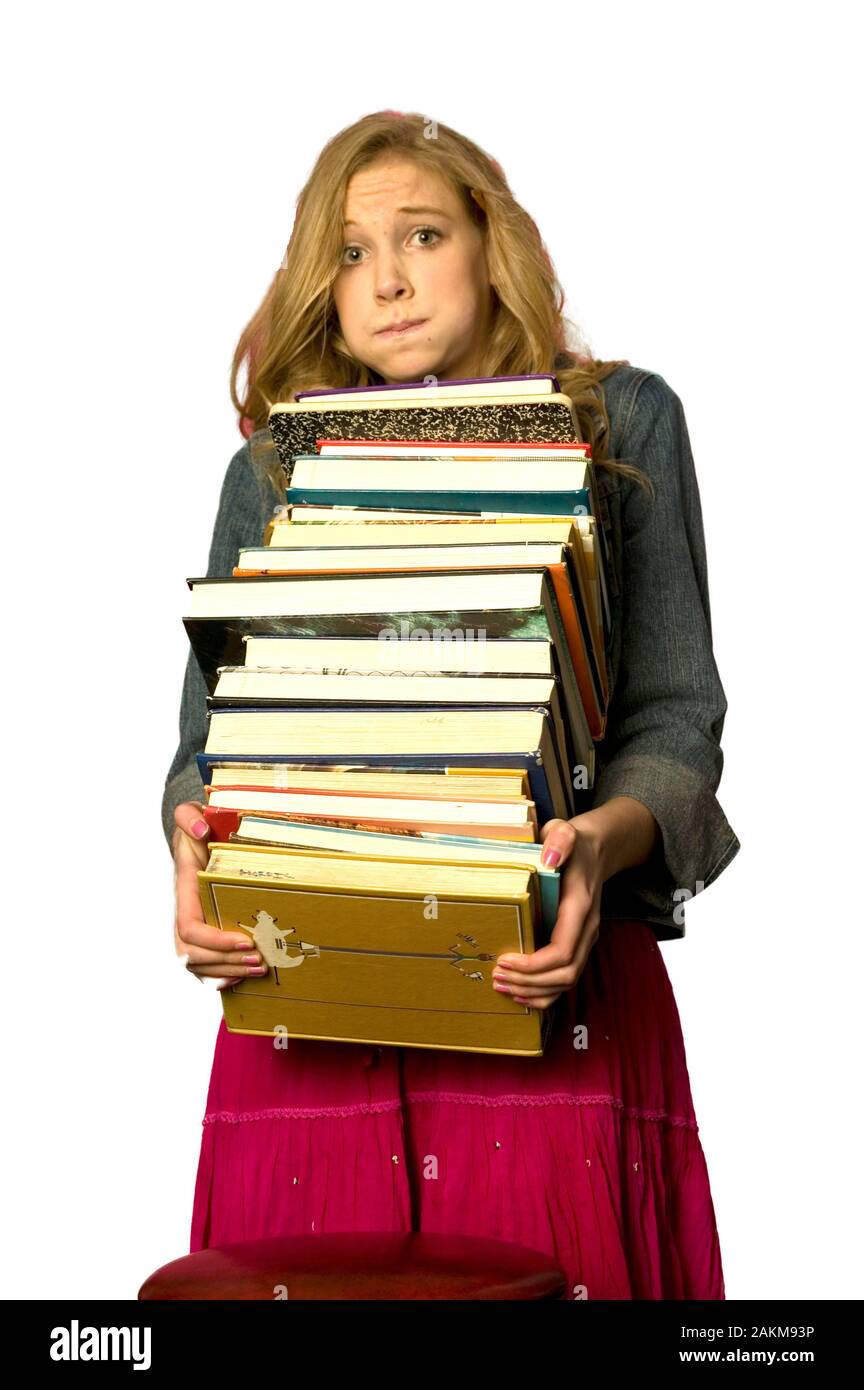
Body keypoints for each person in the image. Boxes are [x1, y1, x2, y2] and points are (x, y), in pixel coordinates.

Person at [162, 111, 740, 1300]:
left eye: (421, 234)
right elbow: (206, 755)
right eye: (350, 251)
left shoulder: (622, 424)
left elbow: (677, 722)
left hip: (545, 980)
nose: (387, 279)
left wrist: (592, 852)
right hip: (309, 1007)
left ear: (492, 242)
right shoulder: (272, 469)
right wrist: (193, 855)